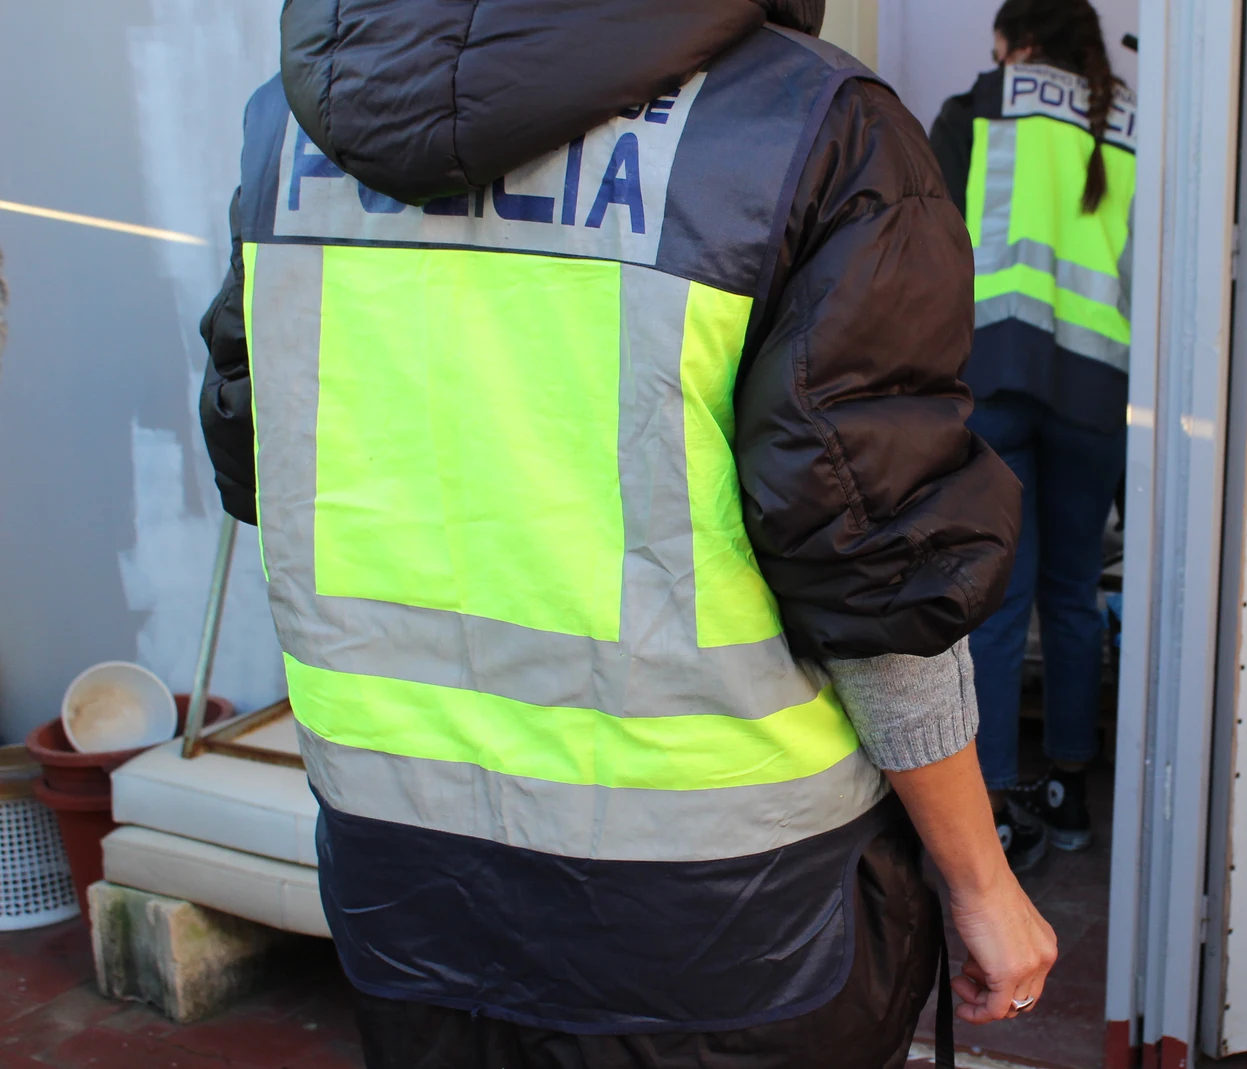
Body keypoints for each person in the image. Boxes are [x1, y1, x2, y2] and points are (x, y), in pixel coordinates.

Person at [195, 1, 1056, 1066]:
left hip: (405, 889)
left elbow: (255, 460)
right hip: (729, 920)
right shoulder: (808, 127)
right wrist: (979, 879)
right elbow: (873, 557)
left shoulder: (292, 125)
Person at [929, 0, 1137, 872]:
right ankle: (1069, 787)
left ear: (1016, 42)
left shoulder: (978, 106)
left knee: (1000, 600)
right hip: (1098, 390)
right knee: (1073, 591)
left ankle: (1004, 804)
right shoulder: (1127, 122)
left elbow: (927, 244)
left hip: (999, 377)